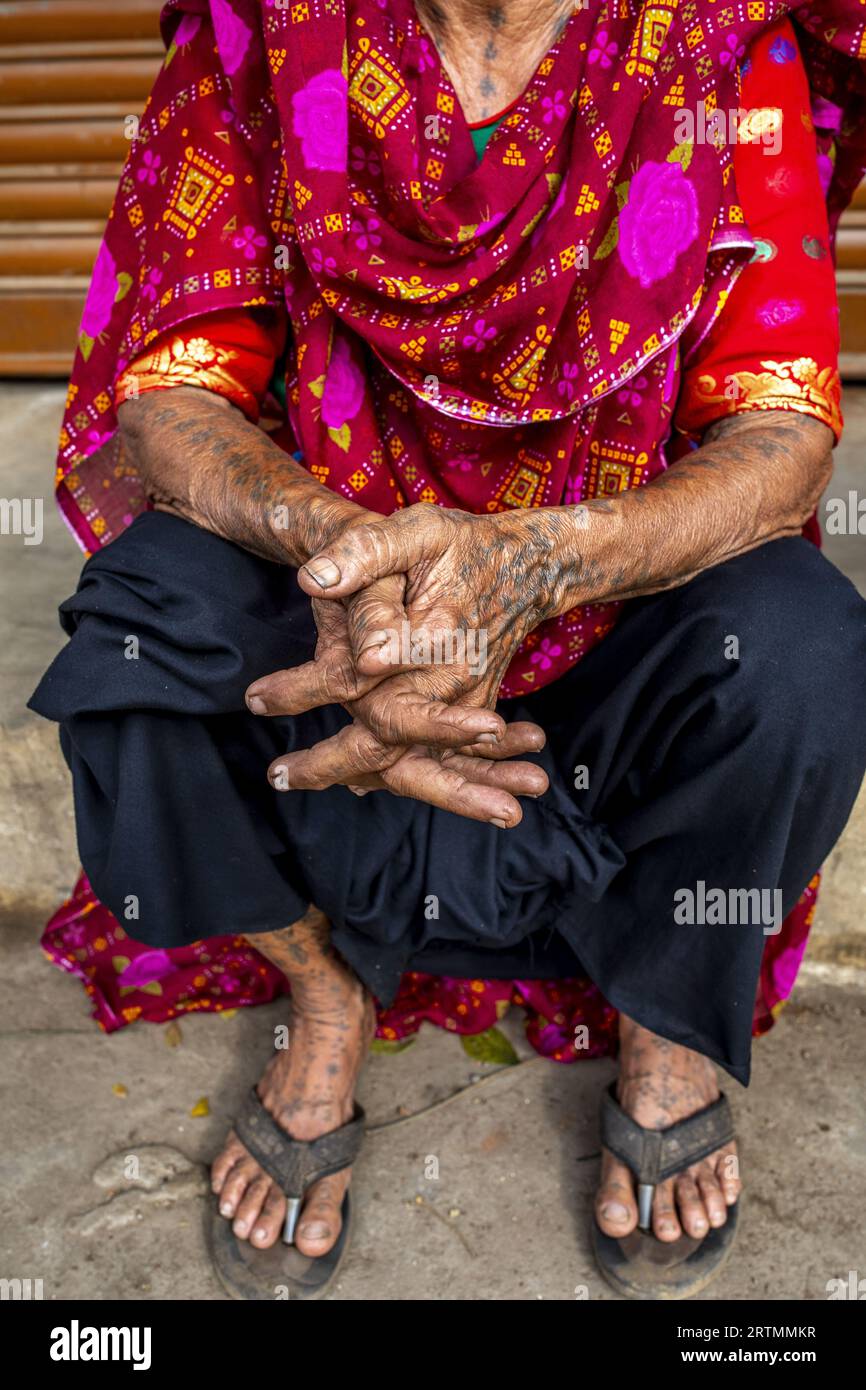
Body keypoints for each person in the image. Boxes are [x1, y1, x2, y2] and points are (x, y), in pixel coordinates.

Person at [30, 0, 866, 1299]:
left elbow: (782, 428)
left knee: (803, 648)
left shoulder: (714, 46)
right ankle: (323, 994)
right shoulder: (269, 31)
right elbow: (173, 389)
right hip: (334, 634)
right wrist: (343, 562)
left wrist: (536, 565)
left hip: (607, 623)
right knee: (140, 629)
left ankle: (663, 1023)